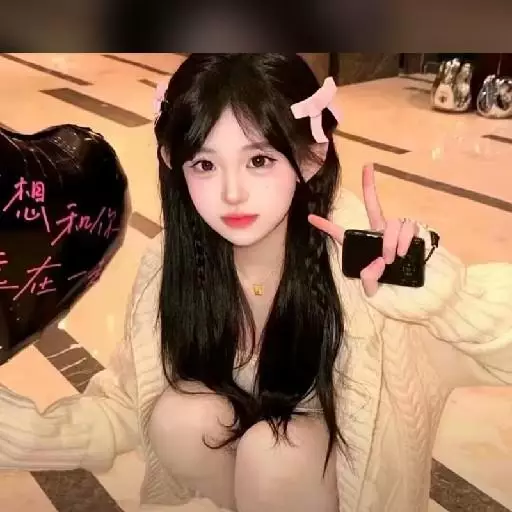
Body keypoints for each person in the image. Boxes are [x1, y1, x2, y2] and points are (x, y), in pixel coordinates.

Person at [0, 53, 511, 512]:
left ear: (311, 157)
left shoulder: (368, 277)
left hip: (333, 490)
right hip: (259, 489)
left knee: (277, 453)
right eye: (205, 164)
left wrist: (444, 300)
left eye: (259, 160)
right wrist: (32, 434)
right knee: (179, 419)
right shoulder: (173, 262)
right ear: (175, 165)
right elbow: (128, 404)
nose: (232, 193)